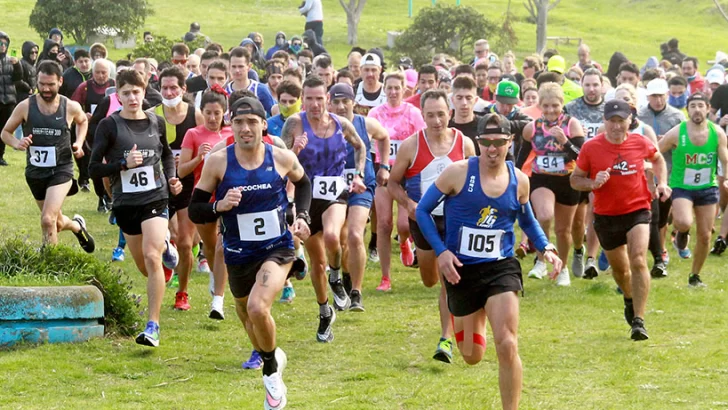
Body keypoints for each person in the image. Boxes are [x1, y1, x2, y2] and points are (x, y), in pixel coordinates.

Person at [416, 113, 561, 410]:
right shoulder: (457, 173)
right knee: (471, 356)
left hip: (501, 268)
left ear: (510, 142)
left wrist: (545, 247)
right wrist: (442, 252)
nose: (492, 149)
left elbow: (527, 219)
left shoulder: (520, 180)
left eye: (499, 143)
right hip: (462, 271)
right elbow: (422, 211)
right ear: (478, 143)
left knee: (507, 343)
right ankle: (477, 312)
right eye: (486, 143)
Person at [189, 96, 311, 409]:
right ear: (232, 125)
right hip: (237, 252)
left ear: (262, 125)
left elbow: (304, 183)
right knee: (247, 316)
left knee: (258, 308)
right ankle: (272, 356)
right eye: (239, 122)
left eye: (252, 122)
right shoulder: (218, 161)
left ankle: (270, 373)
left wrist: (302, 216)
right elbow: (195, 209)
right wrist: (219, 205)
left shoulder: (280, 157)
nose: (245, 129)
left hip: (277, 248)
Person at [89, 69, 182, 347]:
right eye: (126, 93)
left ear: (144, 93)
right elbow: (94, 168)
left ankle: (152, 326)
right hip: (126, 204)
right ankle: (166, 245)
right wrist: (122, 165)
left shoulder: (156, 121)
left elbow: (166, 154)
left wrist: (171, 177)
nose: (132, 97)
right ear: (118, 95)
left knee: (152, 257)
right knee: (145, 267)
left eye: (136, 92)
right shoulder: (109, 125)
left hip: (156, 199)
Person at [388, 89, 476, 363]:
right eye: (430, 115)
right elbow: (392, 183)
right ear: (422, 116)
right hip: (423, 221)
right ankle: (414, 250)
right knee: (429, 279)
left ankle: (445, 339)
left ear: (449, 113)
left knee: (449, 282)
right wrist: (408, 205)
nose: (437, 121)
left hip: (455, 222)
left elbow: (476, 180)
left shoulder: (466, 144)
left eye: (441, 114)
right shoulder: (411, 146)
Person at [571, 99, 670, 341]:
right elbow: (575, 179)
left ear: (630, 121)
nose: (616, 126)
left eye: (621, 121)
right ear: (604, 121)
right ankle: (629, 296)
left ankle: (639, 320)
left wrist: (662, 182)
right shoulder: (591, 148)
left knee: (638, 259)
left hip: (638, 209)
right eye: (612, 121)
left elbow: (657, 158)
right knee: (621, 269)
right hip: (606, 215)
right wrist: (593, 183)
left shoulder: (640, 142)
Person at [280, 75, 368, 342]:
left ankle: (337, 276)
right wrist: (295, 148)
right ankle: (324, 310)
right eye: (310, 99)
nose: (315, 104)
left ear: (327, 99)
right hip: (307, 198)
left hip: (335, 194)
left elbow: (360, 146)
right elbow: (281, 160)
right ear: (302, 100)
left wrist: (359, 174)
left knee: (333, 236)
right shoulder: (294, 123)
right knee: (316, 263)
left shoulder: (341, 124)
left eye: (320, 98)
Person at [0, 60, 94, 251]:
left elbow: (83, 120)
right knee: (56, 223)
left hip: (61, 170)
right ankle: (77, 226)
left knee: (47, 219)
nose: (46, 89)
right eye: (41, 84)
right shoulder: (25, 106)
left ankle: (52, 266)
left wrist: (78, 141)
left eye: (51, 84)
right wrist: (17, 143)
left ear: (60, 81)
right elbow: (5, 133)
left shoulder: (69, 106)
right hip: (35, 172)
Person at [328, 83, 390, 310]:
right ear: (329, 102)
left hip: (362, 186)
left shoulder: (365, 124)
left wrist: (383, 166)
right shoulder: (324, 126)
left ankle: (356, 292)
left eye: (346, 101)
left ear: (354, 101)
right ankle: (343, 279)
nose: (341, 106)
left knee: (355, 235)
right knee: (338, 239)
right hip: (333, 188)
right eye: (336, 101)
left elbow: (384, 137)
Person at [658, 93, 728, 287]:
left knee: (705, 236)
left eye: (700, 105)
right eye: (693, 106)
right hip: (682, 187)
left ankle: (694, 276)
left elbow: (725, 158)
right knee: (682, 221)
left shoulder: (717, 132)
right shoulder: (676, 132)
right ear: (687, 110)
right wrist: (654, 172)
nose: (697, 110)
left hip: (707, 187)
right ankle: (681, 232)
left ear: (708, 108)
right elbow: (656, 152)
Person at [154, 66, 206, 312]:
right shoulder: (152, 115)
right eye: (164, 87)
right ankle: (168, 253)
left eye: (173, 87)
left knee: (185, 243)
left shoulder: (195, 115)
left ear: (184, 89)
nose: (168, 91)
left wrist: (186, 160)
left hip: (188, 184)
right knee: (167, 237)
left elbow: (208, 147)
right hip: (158, 184)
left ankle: (182, 293)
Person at [521, 83, 585, 285]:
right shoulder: (532, 128)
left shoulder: (572, 124)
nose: (550, 110)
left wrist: (565, 141)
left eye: (554, 105)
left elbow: (582, 156)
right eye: (546, 106)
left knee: (563, 230)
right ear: (539, 105)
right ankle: (540, 260)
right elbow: (521, 159)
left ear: (561, 104)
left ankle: (563, 268)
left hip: (568, 180)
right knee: (544, 215)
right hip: (541, 179)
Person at [178, 86, 233, 311]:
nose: (212, 118)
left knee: (224, 244)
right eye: (208, 112)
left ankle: (220, 293)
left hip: (229, 196)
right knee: (210, 246)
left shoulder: (233, 134)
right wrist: (199, 156)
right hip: (203, 198)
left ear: (224, 113)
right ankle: (214, 274)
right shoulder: (193, 134)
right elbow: (181, 171)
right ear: (202, 112)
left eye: (217, 113)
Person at [369, 72, 426, 289]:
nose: (393, 92)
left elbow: (421, 141)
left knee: (404, 224)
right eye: (389, 87)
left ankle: (404, 241)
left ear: (404, 89)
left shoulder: (413, 113)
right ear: (385, 89)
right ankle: (386, 278)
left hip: (406, 173)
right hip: (382, 170)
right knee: (384, 223)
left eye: (397, 87)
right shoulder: (375, 113)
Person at [638, 78, 686, 261]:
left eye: (661, 96)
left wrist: (669, 142)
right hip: (644, 172)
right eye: (654, 96)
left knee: (663, 215)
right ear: (648, 96)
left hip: (669, 170)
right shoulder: (640, 116)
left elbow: (684, 143)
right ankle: (645, 250)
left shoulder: (677, 116)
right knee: (648, 214)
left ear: (667, 95)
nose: (658, 100)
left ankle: (662, 247)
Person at [564, 68, 605, 276]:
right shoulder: (571, 108)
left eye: (595, 84)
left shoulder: (609, 109)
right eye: (587, 85)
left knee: (596, 212)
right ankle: (579, 250)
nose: (591, 89)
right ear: (581, 85)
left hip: (602, 168)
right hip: (578, 167)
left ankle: (592, 258)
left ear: (602, 86)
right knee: (578, 221)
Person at [72, 58, 115, 199]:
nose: (101, 76)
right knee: (95, 164)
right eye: (97, 72)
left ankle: (110, 196)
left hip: (114, 130)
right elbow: (73, 107)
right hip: (93, 132)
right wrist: (83, 115)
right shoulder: (84, 87)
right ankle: (100, 195)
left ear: (109, 73)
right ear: (92, 72)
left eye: (104, 72)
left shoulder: (115, 86)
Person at [224, 47, 275, 115]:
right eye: (234, 66)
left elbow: (273, 114)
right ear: (229, 66)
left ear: (249, 66)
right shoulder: (224, 91)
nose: (237, 70)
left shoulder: (260, 89)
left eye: (240, 66)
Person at [0, 31, 23, 166]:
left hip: (8, 100)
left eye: (5, 43)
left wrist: (17, 65)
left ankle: (0, 156)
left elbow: (18, 78)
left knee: (4, 130)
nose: (3, 46)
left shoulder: (11, 60)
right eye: (0, 43)